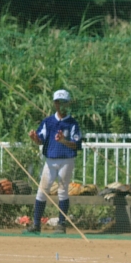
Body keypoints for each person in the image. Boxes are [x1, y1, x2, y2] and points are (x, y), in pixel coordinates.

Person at [25, 89, 82, 234]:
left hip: (66, 160)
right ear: (54, 103)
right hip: (50, 160)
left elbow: (76, 144)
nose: (60, 105)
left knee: (62, 191)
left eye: (63, 102)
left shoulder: (72, 123)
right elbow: (41, 139)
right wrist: (35, 138)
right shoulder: (48, 121)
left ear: (68, 104)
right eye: (57, 102)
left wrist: (64, 141)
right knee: (42, 191)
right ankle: (36, 224)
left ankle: (61, 224)